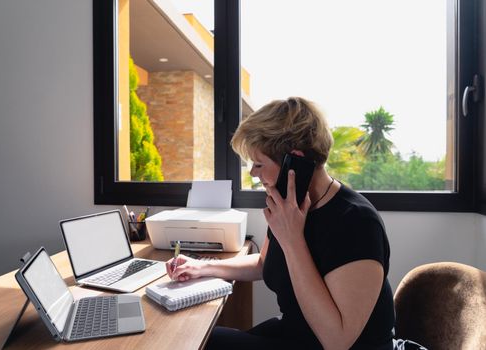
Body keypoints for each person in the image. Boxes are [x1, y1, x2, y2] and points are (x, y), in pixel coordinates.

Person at [165, 97, 395, 350]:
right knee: (197, 337)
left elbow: (337, 340)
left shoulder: (356, 221)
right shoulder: (290, 205)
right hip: (294, 333)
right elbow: (264, 263)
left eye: (259, 164)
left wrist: (293, 238)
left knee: (194, 343)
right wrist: (202, 268)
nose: (253, 173)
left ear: (293, 161)